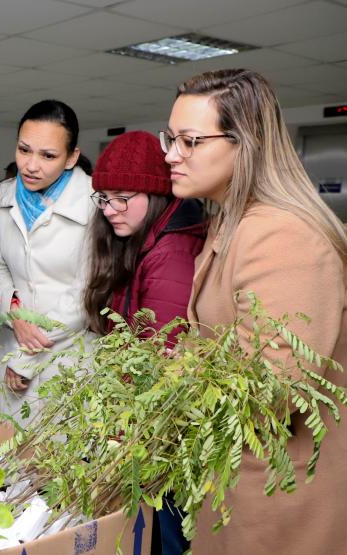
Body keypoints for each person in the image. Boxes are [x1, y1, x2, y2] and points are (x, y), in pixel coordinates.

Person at [164, 68, 347, 553]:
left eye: (189, 141)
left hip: (279, 500)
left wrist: (169, 391)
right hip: (238, 482)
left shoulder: (281, 236)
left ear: (244, 143)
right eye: (170, 138)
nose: (171, 155)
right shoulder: (232, 222)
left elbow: (272, 391)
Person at [82, 130, 205, 555]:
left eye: (122, 198)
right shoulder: (144, 241)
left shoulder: (171, 253)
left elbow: (160, 363)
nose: (110, 210)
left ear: (154, 195)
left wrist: (120, 434)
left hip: (157, 431)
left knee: (164, 535)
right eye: (103, 199)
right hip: (144, 424)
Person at [0, 99, 95, 422]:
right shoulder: (1, 197)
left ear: (72, 157)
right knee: (10, 442)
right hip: (12, 342)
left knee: (63, 445)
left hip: (67, 354)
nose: (31, 165)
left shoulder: (94, 201)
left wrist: (25, 359)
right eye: (24, 150)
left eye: (48, 156)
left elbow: (85, 294)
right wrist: (14, 313)